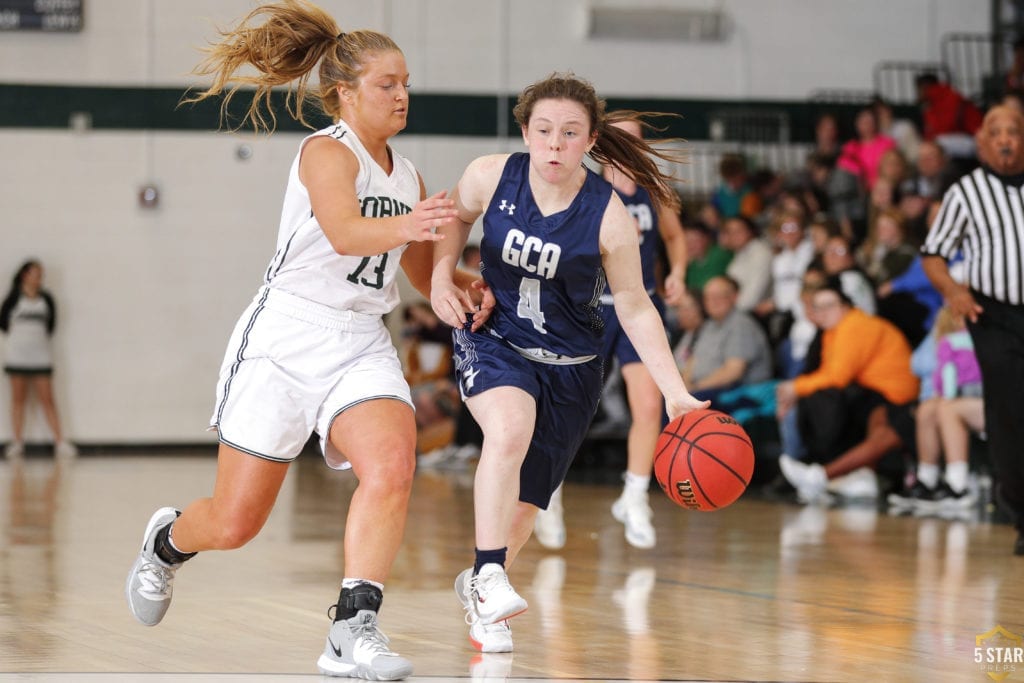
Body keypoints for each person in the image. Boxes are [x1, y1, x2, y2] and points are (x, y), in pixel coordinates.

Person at [122, 3, 493, 679]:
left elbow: (412, 267)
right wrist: (417, 224)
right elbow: (348, 232)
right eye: (388, 83)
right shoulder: (325, 151)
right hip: (287, 337)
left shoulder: (404, 173)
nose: (403, 94)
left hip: (359, 338)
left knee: (393, 463)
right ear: (347, 92)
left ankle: (353, 626)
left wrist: (460, 279)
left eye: (407, 81)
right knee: (235, 523)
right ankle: (166, 543)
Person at [428, 73, 708, 653]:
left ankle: (482, 594)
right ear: (526, 132)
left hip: (573, 365)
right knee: (508, 431)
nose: (555, 144)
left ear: (591, 141)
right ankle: (487, 576)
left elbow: (635, 305)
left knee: (528, 509)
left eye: (570, 133)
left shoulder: (609, 217)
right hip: (497, 336)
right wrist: (438, 277)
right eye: (545, 130)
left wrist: (675, 391)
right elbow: (455, 218)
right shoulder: (489, 175)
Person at [532, 116, 689, 550]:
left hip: (640, 309)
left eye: (635, 139)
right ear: (602, 144)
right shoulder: (581, 191)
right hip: (591, 310)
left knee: (648, 404)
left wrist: (678, 271)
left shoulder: (656, 192)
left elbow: (675, 237)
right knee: (572, 411)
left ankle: (635, 497)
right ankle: (549, 494)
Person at [921, 105, 1024, 555]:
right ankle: (1020, 510)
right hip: (994, 315)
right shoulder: (966, 192)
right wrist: (953, 292)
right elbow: (933, 254)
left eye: (1013, 132)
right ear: (982, 143)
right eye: (995, 133)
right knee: (1007, 412)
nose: (1004, 140)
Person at [776, 278, 919, 503]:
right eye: (817, 307)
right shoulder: (833, 331)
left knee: (881, 428)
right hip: (876, 396)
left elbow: (837, 377)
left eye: (829, 305)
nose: (822, 312)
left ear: (845, 306)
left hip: (897, 397)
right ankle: (858, 476)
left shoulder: (854, 325)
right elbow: (829, 374)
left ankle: (820, 475)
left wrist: (795, 387)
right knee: (869, 421)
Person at [888, 308, 983, 515]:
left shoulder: (959, 340)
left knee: (946, 407)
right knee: (927, 409)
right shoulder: (949, 340)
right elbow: (918, 364)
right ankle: (927, 479)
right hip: (969, 397)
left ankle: (958, 485)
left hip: (985, 399)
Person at [0, 260, 76, 461]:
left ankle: (60, 442)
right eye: (36, 274)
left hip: (41, 357)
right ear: (25, 275)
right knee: (18, 401)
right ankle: (17, 442)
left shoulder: (47, 299)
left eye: (41, 274)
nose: (39, 278)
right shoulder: (13, 299)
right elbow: (4, 324)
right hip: (17, 357)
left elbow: (51, 326)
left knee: (48, 400)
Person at [682, 275, 773, 402]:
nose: (712, 301)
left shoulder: (741, 325)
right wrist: (683, 388)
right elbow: (692, 361)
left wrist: (695, 388)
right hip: (704, 390)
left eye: (719, 296)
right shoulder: (709, 325)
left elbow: (733, 372)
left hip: (738, 393)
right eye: (708, 297)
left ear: (734, 297)